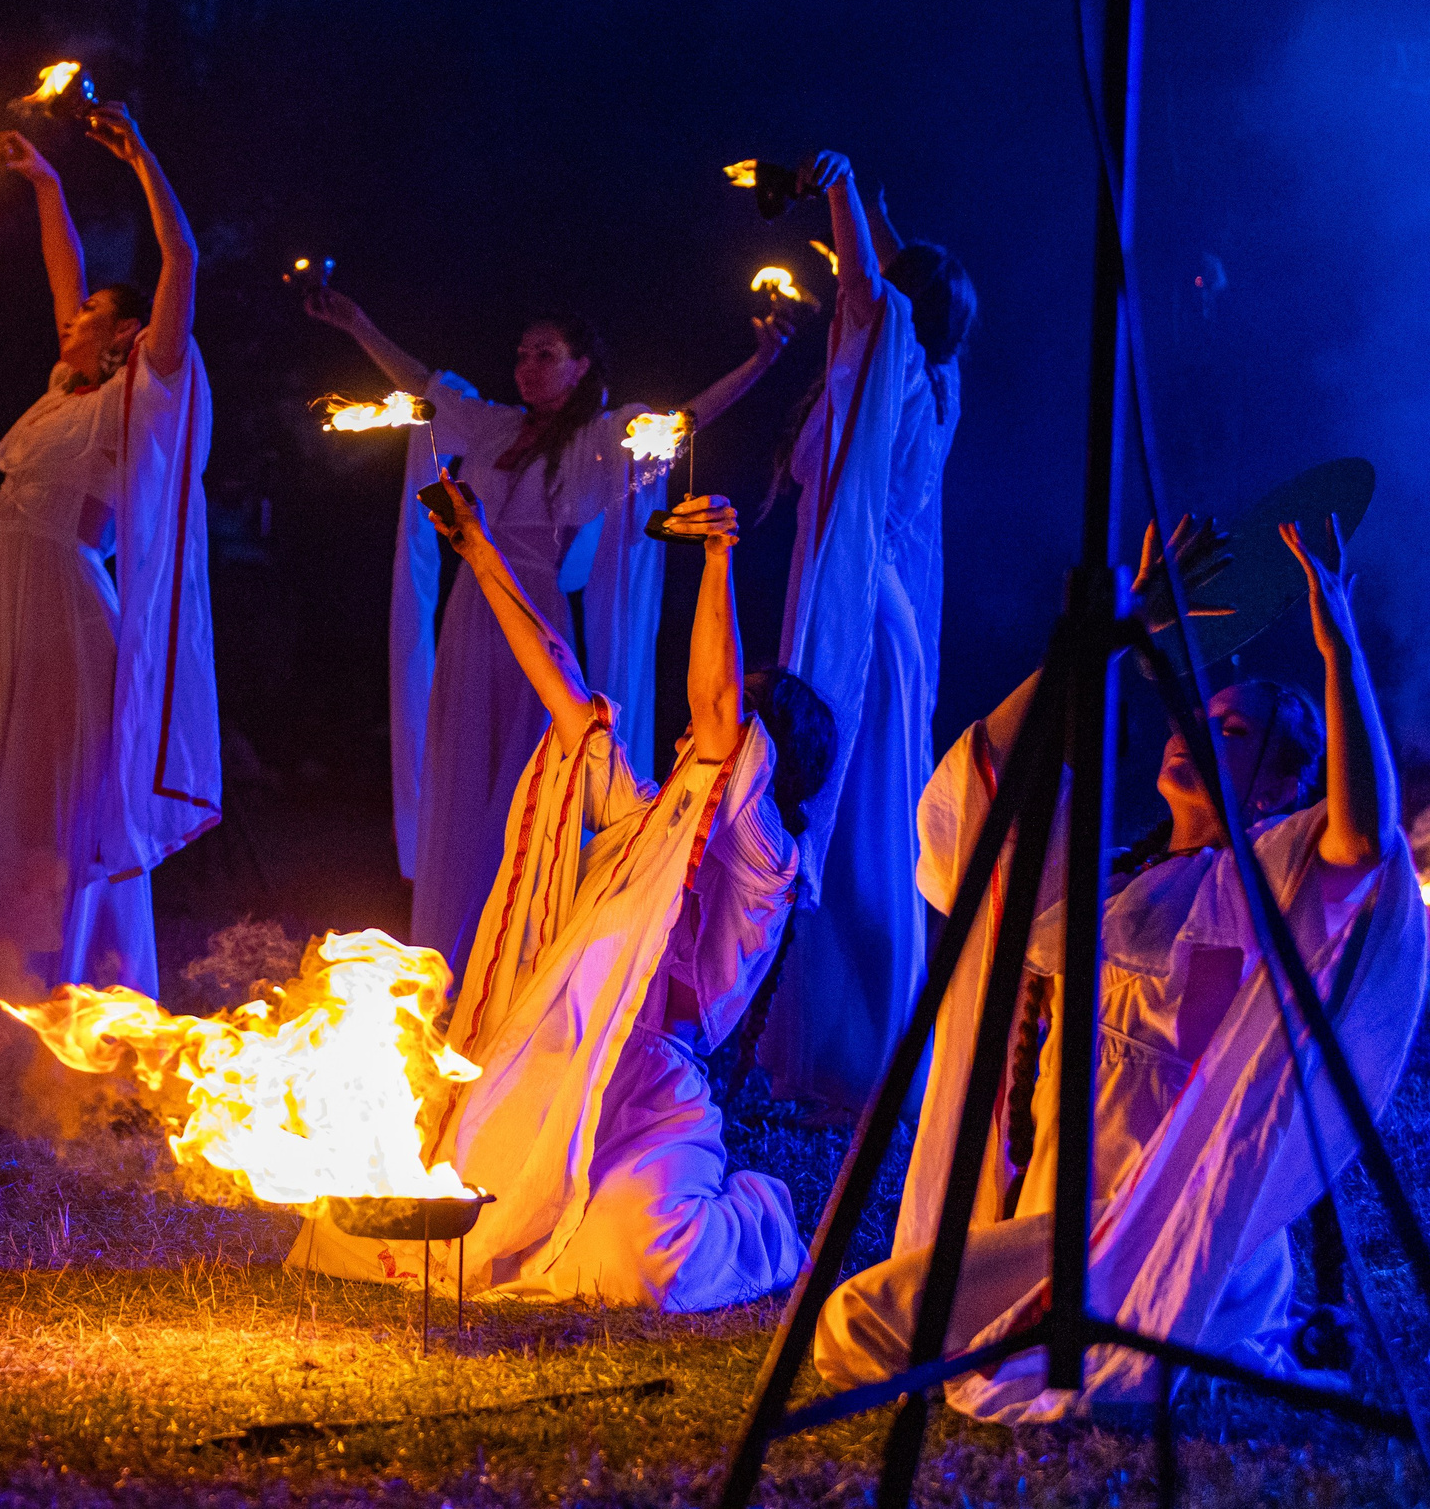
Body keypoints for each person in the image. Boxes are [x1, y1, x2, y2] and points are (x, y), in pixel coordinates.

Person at [814, 518, 1427, 1420]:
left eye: (1233, 728)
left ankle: (1185, 1327)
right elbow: (993, 782)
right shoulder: (1105, 882)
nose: (1196, 728)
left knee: (866, 1324)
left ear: (1273, 785)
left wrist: (1337, 646)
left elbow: (1365, 840)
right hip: (1057, 1213)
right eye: (1199, 715)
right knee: (859, 1328)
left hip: (1169, 1210)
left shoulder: (1263, 879)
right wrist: (1112, 628)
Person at [294, 477, 830, 1309]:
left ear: (766, 764)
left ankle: (761, 1213)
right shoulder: (648, 817)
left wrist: (718, 556)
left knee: (644, 1267)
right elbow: (566, 688)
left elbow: (720, 710)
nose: (689, 730)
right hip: (553, 1060)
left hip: (653, 1094)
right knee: (377, 1227)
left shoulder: (767, 862)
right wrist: (478, 550)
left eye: (726, 732)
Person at [305, 287, 792, 969]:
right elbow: (424, 387)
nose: (528, 366)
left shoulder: (598, 439)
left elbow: (682, 421)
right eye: (521, 354)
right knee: (463, 772)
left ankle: (512, 951)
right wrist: (358, 323)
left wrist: (762, 361)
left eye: (546, 354)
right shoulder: (496, 426)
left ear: (582, 365)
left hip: (533, 613)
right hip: (471, 614)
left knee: (523, 780)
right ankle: (447, 953)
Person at [0, 110, 219, 997]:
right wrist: (46, 183)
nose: (71, 315)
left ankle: (93, 987)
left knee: (78, 796)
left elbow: (181, 264)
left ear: (123, 335)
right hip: (29, 607)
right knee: (35, 787)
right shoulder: (69, 389)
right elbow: (61, 270)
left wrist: (144, 159)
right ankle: (27, 980)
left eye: (90, 312)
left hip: (76, 611)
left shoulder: (140, 397)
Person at [756, 151, 977, 1114]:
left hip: (862, 627)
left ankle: (852, 1049)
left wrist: (839, 187)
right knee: (862, 820)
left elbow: (868, 288)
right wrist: (884, 219)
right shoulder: (936, 378)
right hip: (883, 613)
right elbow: (893, 288)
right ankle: (846, 1035)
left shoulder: (890, 351)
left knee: (844, 816)